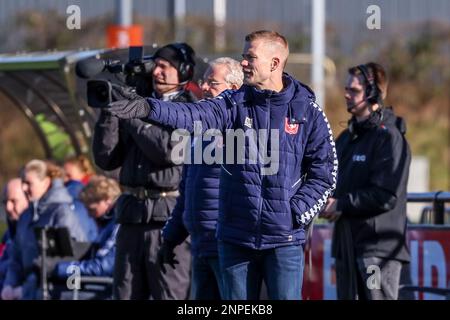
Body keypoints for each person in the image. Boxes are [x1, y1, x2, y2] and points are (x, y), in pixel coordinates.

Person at [106, 30, 337, 300]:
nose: (244, 64)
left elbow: (326, 174)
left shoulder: (307, 111)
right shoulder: (232, 104)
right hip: (235, 241)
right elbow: (193, 114)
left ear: (274, 63)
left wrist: (295, 214)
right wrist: (148, 108)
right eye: (243, 57)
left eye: (251, 57)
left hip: (284, 242)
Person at [93, 42, 197, 300]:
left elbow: (167, 152)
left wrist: (131, 115)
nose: (157, 72)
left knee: (169, 294)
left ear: (183, 71)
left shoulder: (190, 108)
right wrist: (109, 112)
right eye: (156, 66)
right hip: (131, 218)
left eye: (165, 67)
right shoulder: (141, 103)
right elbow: (106, 159)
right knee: (125, 294)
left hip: (167, 221)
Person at [320, 62, 411, 300]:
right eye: (347, 89)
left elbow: (386, 195)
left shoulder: (388, 137)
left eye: (354, 90)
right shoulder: (345, 139)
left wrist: (341, 204)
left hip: (376, 251)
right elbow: (330, 182)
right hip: (346, 248)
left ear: (372, 93)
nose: (346, 94)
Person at [159, 57, 243, 300]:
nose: (204, 87)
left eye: (212, 83)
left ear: (233, 89)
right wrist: (171, 236)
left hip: (227, 247)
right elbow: (187, 191)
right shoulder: (198, 133)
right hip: (200, 245)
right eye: (203, 81)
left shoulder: (242, 131)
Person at [1, 160, 87, 300]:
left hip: (55, 291)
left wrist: (25, 290)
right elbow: (16, 257)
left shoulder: (61, 213)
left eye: (29, 183)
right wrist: (9, 285)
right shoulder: (26, 216)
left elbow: (61, 261)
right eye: (23, 182)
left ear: (46, 182)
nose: (24, 187)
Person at [53, 176, 120, 299]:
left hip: (109, 288)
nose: (89, 215)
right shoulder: (108, 225)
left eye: (92, 209)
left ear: (107, 200)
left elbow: (104, 266)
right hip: (101, 284)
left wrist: (64, 269)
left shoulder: (118, 225)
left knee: (61, 295)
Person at [0, 178, 29, 295]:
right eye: (5, 202)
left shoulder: (34, 232)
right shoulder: (9, 233)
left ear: (28, 199)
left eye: (13, 201)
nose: (8, 207)